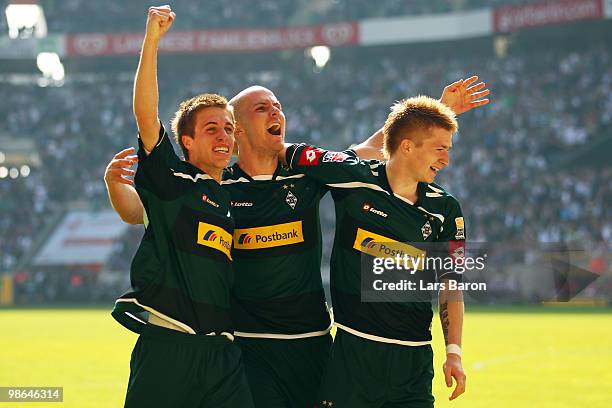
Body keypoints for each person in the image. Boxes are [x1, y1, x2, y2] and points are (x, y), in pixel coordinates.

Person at [105, 6, 488, 406]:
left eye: (278, 106)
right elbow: (144, 214)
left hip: (313, 343)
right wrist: (116, 187)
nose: (276, 112)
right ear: (238, 130)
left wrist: (438, 113)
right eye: (262, 108)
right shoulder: (217, 188)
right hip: (249, 347)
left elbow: (371, 151)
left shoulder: (306, 176)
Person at [281, 95, 467, 407]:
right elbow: (290, 153)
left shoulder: (445, 209)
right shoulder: (354, 178)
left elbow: (452, 284)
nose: (446, 159)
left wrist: (454, 353)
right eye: (440, 148)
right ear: (407, 146)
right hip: (354, 356)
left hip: (413, 362)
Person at [111, 7, 253, 407]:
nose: (224, 135)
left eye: (228, 128)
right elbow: (146, 116)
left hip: (223, 354)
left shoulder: (236, 194)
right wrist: (152, 39)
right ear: (186, 142)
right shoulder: (172, 183)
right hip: (170, 346)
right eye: (211, 129)